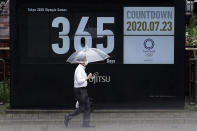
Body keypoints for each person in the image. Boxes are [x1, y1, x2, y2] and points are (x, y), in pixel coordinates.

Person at [64, 58, 95, 128]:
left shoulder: (82, 69)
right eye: (85, 60)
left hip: (82, 90)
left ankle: (86, 124)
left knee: (87, 107)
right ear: (82, 62)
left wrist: (87, 77)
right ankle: (68, 116)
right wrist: (88, 77)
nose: (87, 61)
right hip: (80, 90)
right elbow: (79, 81)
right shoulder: (79, 69)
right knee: (83, 107)